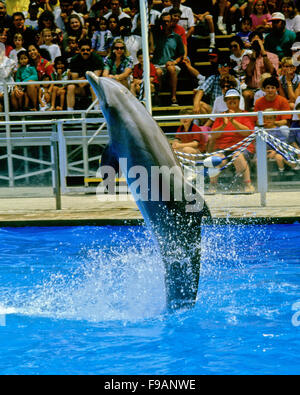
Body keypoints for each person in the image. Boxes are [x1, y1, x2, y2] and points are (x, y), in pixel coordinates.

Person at [207, 88, 256, 194]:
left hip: (242, 148)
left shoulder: (245, 114)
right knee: (215, 160)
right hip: (223, 148)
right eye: (229, 99)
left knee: (237, 155)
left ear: (239, 100)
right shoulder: (221, 116)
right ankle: (212, 185)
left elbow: (247, 132)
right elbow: (214, 134)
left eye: (235, 98)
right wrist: (224, 124)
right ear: (225, 101)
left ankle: (248, 184)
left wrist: (233, 121)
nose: (232, 101)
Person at [151, 12, 185, 106]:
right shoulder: (156, 35)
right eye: (164, 21)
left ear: (171, 22)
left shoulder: (177, 37)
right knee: (158, 72)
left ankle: (173, 98)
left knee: (171, 68)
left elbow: (181, 55)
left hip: (170, 64)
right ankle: (157, 97)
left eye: (168, 21)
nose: (166, 23)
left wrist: (174, 62)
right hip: (158, 64)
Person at [242, 30, 279, 110]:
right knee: (246, 94)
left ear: (262, 41)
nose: (256, 44)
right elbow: (248, 73)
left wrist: (263, 53)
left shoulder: (273, 56)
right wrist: (253, 58)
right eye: (254, 41)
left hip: (268, 88)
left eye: (258, 41)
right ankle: (247, 118)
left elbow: (272, 71)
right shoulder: (247, 57)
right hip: (252, 89)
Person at [67, 39, 104, 111]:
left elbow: (95, 77)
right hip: (80, 87)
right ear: (79, 50)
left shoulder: (97, 58)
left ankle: (97, 112)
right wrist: (80, 82)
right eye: (83, 50)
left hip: (93, 85)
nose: (85, 52)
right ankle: (70, 113)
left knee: (93, 87)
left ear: (91, 50)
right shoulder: (74, 60)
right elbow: (74, 78)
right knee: (70, 87)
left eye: (87, 50)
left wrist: (85, 82)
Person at [263, 109, 296, 174]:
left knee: (279, 157)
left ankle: (283, 172)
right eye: (266, 118)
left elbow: (282, 144)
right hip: (267, 151)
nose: (268, 120)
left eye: (270, 118)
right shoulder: (262, 130)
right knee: (258, 159)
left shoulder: (278, 130)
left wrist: (275, 151)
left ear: (275, 119)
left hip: (281, 150)